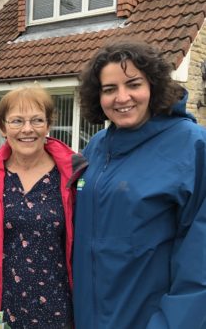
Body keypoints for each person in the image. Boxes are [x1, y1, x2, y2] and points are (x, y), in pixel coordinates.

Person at [73, 41, 206, 328]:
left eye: (133, 84)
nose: (122, 98)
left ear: (153, 86)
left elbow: (200, 259)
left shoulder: (192, 145)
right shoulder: (95, 148)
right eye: (109, 89)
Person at [0, 86, 84, 328]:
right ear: (3, 128)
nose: (27, 129)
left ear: (48, 125)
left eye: (37, 120)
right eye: (17, 121)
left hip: (58, 304)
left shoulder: (73, 176)